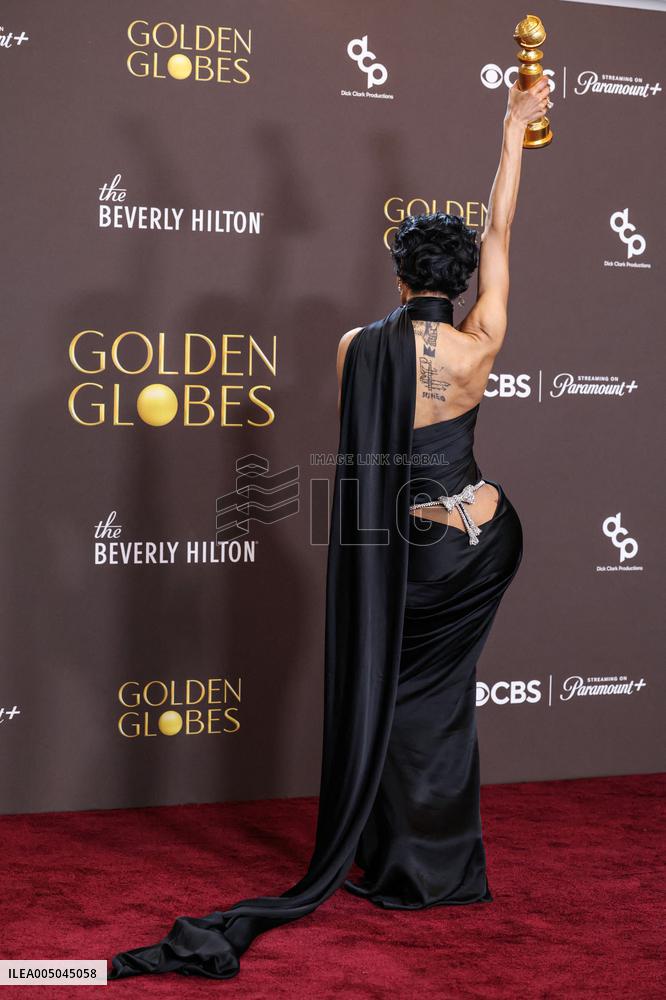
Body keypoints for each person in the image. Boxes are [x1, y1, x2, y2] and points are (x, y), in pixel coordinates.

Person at [108, 76, 550, 980]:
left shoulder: (359, 346)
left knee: (403, 702)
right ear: (462, 280)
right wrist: (513, 132)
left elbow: (370, 458)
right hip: (490, 538)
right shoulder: (482, 341)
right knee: (442, 699)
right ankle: (441, 868)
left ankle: (404, 866)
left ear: (397, 276)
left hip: (419, 553)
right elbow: (500, 230)